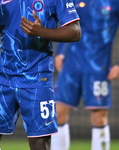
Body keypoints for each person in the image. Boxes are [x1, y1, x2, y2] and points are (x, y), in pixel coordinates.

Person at [0, 0, 81, 149]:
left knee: (39, 142)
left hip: (38, 78)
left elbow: (75, 31)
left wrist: (42, 31)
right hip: (3, 76)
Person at [51, 0, 119, 150]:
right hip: (72, 64)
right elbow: (67, 23)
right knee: (57, 112)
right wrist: (60, 54)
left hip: (98, 67)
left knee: (99, 116)